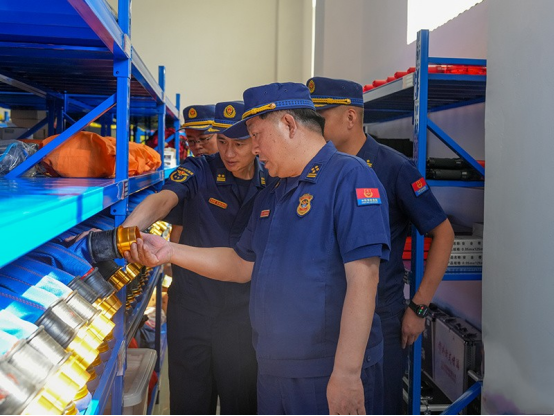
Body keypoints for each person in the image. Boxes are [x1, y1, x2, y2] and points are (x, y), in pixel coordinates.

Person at [124, 82, 392, 415]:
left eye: (256, 136)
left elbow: (364, 278)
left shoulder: (349, 177)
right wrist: (169, 251)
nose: (254, 148)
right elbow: (241, 263)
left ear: (289, 125)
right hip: (273, 367)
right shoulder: (273, 193)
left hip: (325, 372)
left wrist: (348, 374)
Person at [307, 76, 455, 415]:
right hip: (325, 316)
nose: (312, 127)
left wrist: (419, 308)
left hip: (379, 317)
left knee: (377, 404)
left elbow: (443, 233)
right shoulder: (317, 168)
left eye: (320, 118)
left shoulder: (393, 168)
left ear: (350, 117)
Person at [122, 101, 265, 415]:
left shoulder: (272, 181)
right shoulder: (200, 169)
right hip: (192, 309)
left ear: (256, 142)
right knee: (189, 402)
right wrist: (125, 232)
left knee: (242, 401)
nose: (228, 153)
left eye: (238, 144)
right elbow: (164, 200)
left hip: (243, 314)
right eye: (222, 142)